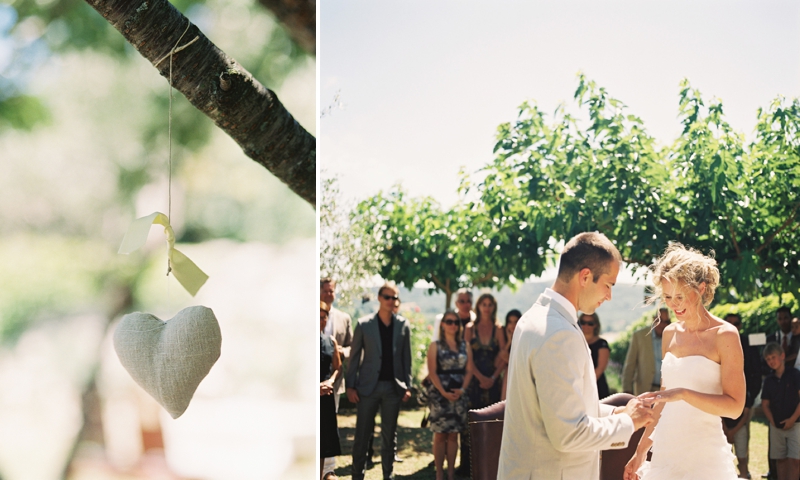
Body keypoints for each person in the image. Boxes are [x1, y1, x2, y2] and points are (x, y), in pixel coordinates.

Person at [498, 232, 654, 479]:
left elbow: (554, 408)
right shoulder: (558, 333)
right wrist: (629, 423)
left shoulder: (536, 318)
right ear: (585, 276)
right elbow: (568, 433)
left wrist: (615, 413)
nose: (609, 296)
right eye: (608, 285)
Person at [624, 243, 746, 480]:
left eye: (680, 296)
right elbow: (662, 399)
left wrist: (683, 394)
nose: (673, 304)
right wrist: (640, 452)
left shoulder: (726, 335)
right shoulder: (670, 333)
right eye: (668, 297)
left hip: (705, 458)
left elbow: (734, 407)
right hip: (665, 455)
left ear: (701, 289)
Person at [347, 282, 412, 480]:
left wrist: (407, 386)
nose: (391, 301)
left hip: (393, 388)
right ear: (379, 297)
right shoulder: (364, 324)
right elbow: (354, 357)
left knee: (389, 436)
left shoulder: (403, 325)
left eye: (394, 297)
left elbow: (406, 358)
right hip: (367, 388)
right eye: (387, 297)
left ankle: (388, 475)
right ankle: (357, 475)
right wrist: (350, 385)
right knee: (362, 436)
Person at [426, 310, 474, 480]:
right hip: (440, 396)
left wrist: (462, 389)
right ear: (443, 324)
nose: (453, 325)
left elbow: (469, 370)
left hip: (459, 396)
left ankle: (451, 473)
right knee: (440, 436)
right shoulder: (435, 346)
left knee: (454, 436)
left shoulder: (465, 345)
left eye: (456, 322)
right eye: (449, 321)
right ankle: (440, 473)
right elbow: (432, 372)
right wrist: (443, 392)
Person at [462, 293, 506, 476]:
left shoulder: (499, 329)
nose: (486, 307)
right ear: (478, 306)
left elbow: (504, 356)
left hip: (494, 382)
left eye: (489, 304)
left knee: (492, 423)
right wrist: (480, 378)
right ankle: (467, 467)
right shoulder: (469, 328)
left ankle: (492, 466)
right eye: (483, 304)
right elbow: (467, 358)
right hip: (474, 382)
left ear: (493, 307)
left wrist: (493, 378)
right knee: (470, 424)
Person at [721, 312, 761, 479]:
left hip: (745, 403)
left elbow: (756, 375)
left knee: (742, 446)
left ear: (740, 325)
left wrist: (748, 402)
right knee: (723, 452)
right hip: (721, 405)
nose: (733, 327)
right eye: (729, 323)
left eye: (736, 323)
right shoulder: (719, 343)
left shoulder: (749, 345)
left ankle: (744, 474)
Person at [320, 278, 353, 479]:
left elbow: (352, 346)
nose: (328, 294)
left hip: (333, 383)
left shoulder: (344, 317)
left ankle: (328, 470)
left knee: (330, 426)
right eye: (325, 291)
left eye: (331, 291)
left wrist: (340, 352)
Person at [761, 342, 800, 480]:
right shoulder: (768, 380)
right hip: (776, 426)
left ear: (782, 356)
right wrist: (773, 422)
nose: (771, 361)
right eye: (768, 359)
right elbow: (765, 404)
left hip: (795, 424)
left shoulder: (795, 374)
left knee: (795, 460)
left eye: (773, 357)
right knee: (780, 460)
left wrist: (792, 420)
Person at [622, 307, 671, 395]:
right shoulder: (639, 336)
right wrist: (627, 390)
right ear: (653, 319)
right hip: (645, 389)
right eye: (659, 320)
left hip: (667, 390)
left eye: (666, 322)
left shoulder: (673, 336)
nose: (663, 324)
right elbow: (630, 364)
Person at [320, 301, 342, 480]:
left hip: (326, 396)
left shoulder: (330, 341)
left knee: (323, 442)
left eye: (324, 317)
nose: (321, 320)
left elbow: (337, 367)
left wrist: (331, 381)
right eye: (317, 317)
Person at [580, 312, 611, 399]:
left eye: (590, 323)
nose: (586, 326)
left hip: (597, 387)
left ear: (596, 325)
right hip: (578, 385)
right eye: (583, 322)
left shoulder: (602, 344)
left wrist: (586, 385)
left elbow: (600, 368)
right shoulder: (576, 342)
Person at [499, 309, 522, 401]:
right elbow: (498, 360)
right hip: (502, 381)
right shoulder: (503, 339)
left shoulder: (523, 339)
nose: (513, 325)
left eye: (515, 322)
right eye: (510, 322)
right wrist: (509, 342)